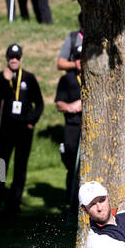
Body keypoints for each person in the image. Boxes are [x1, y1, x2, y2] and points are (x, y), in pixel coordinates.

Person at [0, 43, 44, 214]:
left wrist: (32, 121)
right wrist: (6, 82)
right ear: (6, 58)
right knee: (0, 164)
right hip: (5, 128)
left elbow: (39, 103)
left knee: (20, 166)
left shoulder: (29, 78)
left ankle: (14, 203)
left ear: (22, 58)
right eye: (11, 57)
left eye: (17, 57)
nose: (14, 60)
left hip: (23, 130)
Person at [55, 47, 82, 206]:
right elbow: (59, 104)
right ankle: (71, 202)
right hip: (72, 126)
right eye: (77, 58)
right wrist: (72, 107)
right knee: (72, 165)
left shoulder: (91, 78)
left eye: (83, 57)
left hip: (88, 126)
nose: (80, 61)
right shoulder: (66, 79)